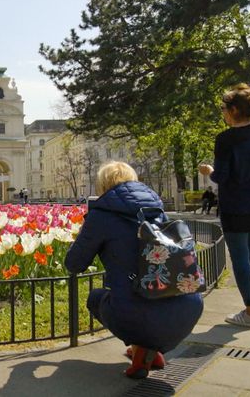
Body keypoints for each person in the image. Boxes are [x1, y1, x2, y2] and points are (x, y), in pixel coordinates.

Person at [65, 161, 203, 379]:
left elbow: (74, 264)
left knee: (96, 298)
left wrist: (85, 231)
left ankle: (142, 352)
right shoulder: (157, 210)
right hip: (188, 308)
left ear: (103, 185)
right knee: (148, 299)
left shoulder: (101, 215)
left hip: (135, 315)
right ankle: (151, 350)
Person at [199, 83, 250, 328]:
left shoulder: (226, 139)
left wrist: (209, 170)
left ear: (234, 110)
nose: (222, 112)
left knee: (240, 257)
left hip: (236, 207)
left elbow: (221, 176)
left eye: (224, 108)